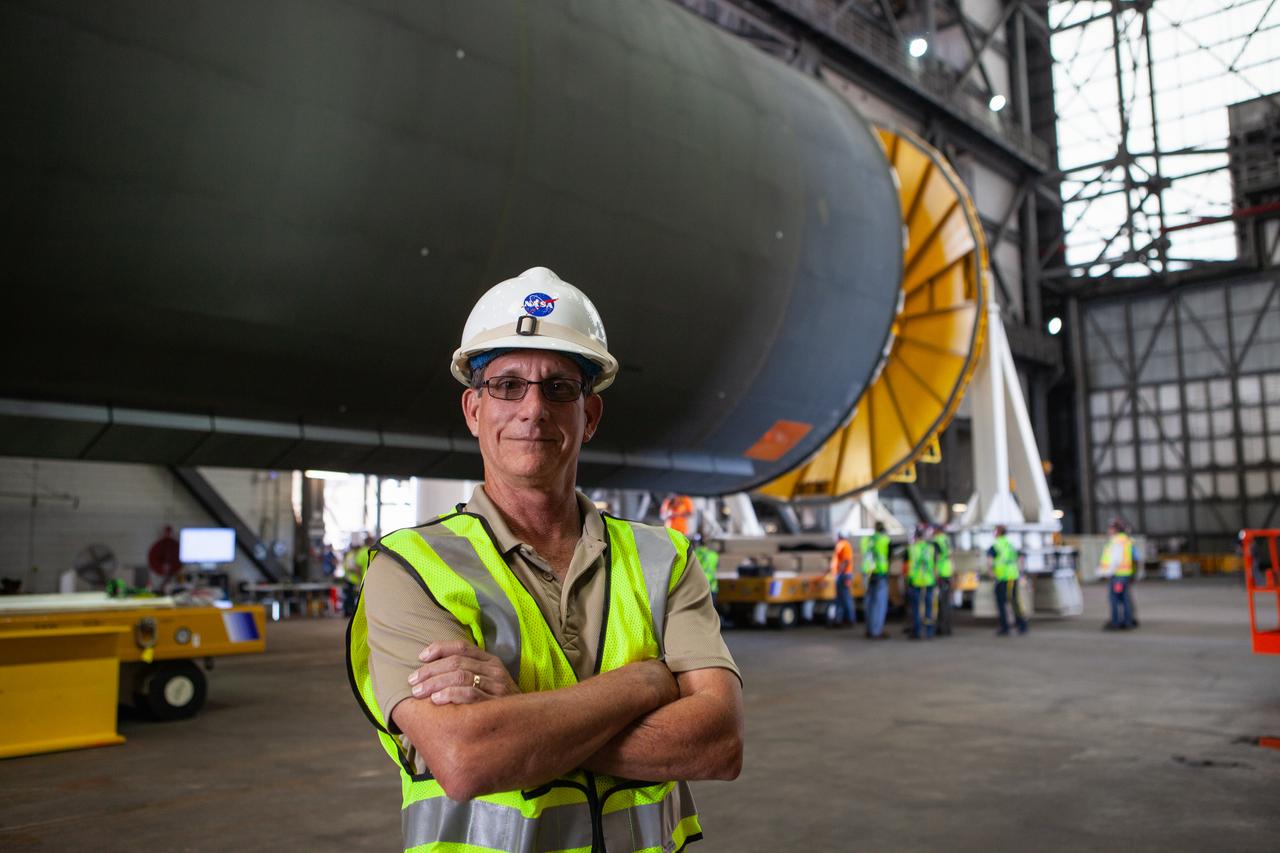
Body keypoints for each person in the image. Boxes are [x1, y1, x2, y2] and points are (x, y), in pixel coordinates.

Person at [346, 267, 743, 852]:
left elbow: (719, 743)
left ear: (591, 417)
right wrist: (644, 682)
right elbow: (467, 757)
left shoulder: (665, 557)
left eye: (559, 387)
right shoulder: (410, 568)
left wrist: (522, 722)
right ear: (473, 410)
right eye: (508, 385)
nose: (533, 408)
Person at [1099, 519, 1138, 630]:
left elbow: (1114, 560)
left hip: (1117, 576)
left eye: (1110, 528)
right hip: (1125, 575)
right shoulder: (1127, 540)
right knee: (1125, 598)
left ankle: (1116, 622)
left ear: (1115, 529)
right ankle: (1128, 621)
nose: (1109, 530)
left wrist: (1105, 572)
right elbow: (1135, 559)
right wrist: (1133, 574)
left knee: (1115, 599)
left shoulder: (1116, 541)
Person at [989, 525, 1027, 635]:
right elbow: (1020, 559)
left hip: (1002, 578)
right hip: (1013, 576)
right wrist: (1021, 574)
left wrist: (992, 574)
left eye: (995, 531)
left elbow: (990, 562)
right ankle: (1022, 625)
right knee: (1014, 601)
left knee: (1002, 603)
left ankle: (1005, 627)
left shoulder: (995, 545)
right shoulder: (1010, 544)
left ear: (998, 532)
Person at [861, 522, 891, 639]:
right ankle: (876, 631)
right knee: (879, 605)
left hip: (868, 574)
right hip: (879, 573)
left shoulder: (866, 540)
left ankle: (869, 629)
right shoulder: (883, 539)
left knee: (869, 603)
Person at [907, 525, 936, 639]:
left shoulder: (912, 548)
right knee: (929, 607)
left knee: (916, 607)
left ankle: (917, 631)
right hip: (929, 580)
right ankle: (929, 632)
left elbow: (909, 565)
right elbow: (934, 564)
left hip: (915, 580)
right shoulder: (931, 548)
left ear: (915, 536)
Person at [828, 531, 857, 629]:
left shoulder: (844, 545)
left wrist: (840, 571)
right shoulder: (841, 545)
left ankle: (850, 620)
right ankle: (838, 620)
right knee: (840, 599)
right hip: (841, 575)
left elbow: (846, 560)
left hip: (843, 575)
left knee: (846, 598)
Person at [340, 534, 372, 617]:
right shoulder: (367, 551)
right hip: (358, 579)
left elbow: (356, 567)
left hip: (357, 579)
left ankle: (351, 613)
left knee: (352, 598)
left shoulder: (360, 552)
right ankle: (351, 613)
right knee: (353, 598)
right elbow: (357, 568)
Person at [932, 525, 954, 637]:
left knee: (940, 603)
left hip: (940, 574)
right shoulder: (947, 539)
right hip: (947, 572)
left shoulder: (936, 541)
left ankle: (941, 628)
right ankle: (947, 628)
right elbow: (951, 556)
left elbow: (936, 559)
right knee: (946, 602)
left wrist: (935, 574)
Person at [692, 533, 720, 611]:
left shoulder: (695, 554)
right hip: (712, 587)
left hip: (700, 588)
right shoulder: (714, 555)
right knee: (711, 613)